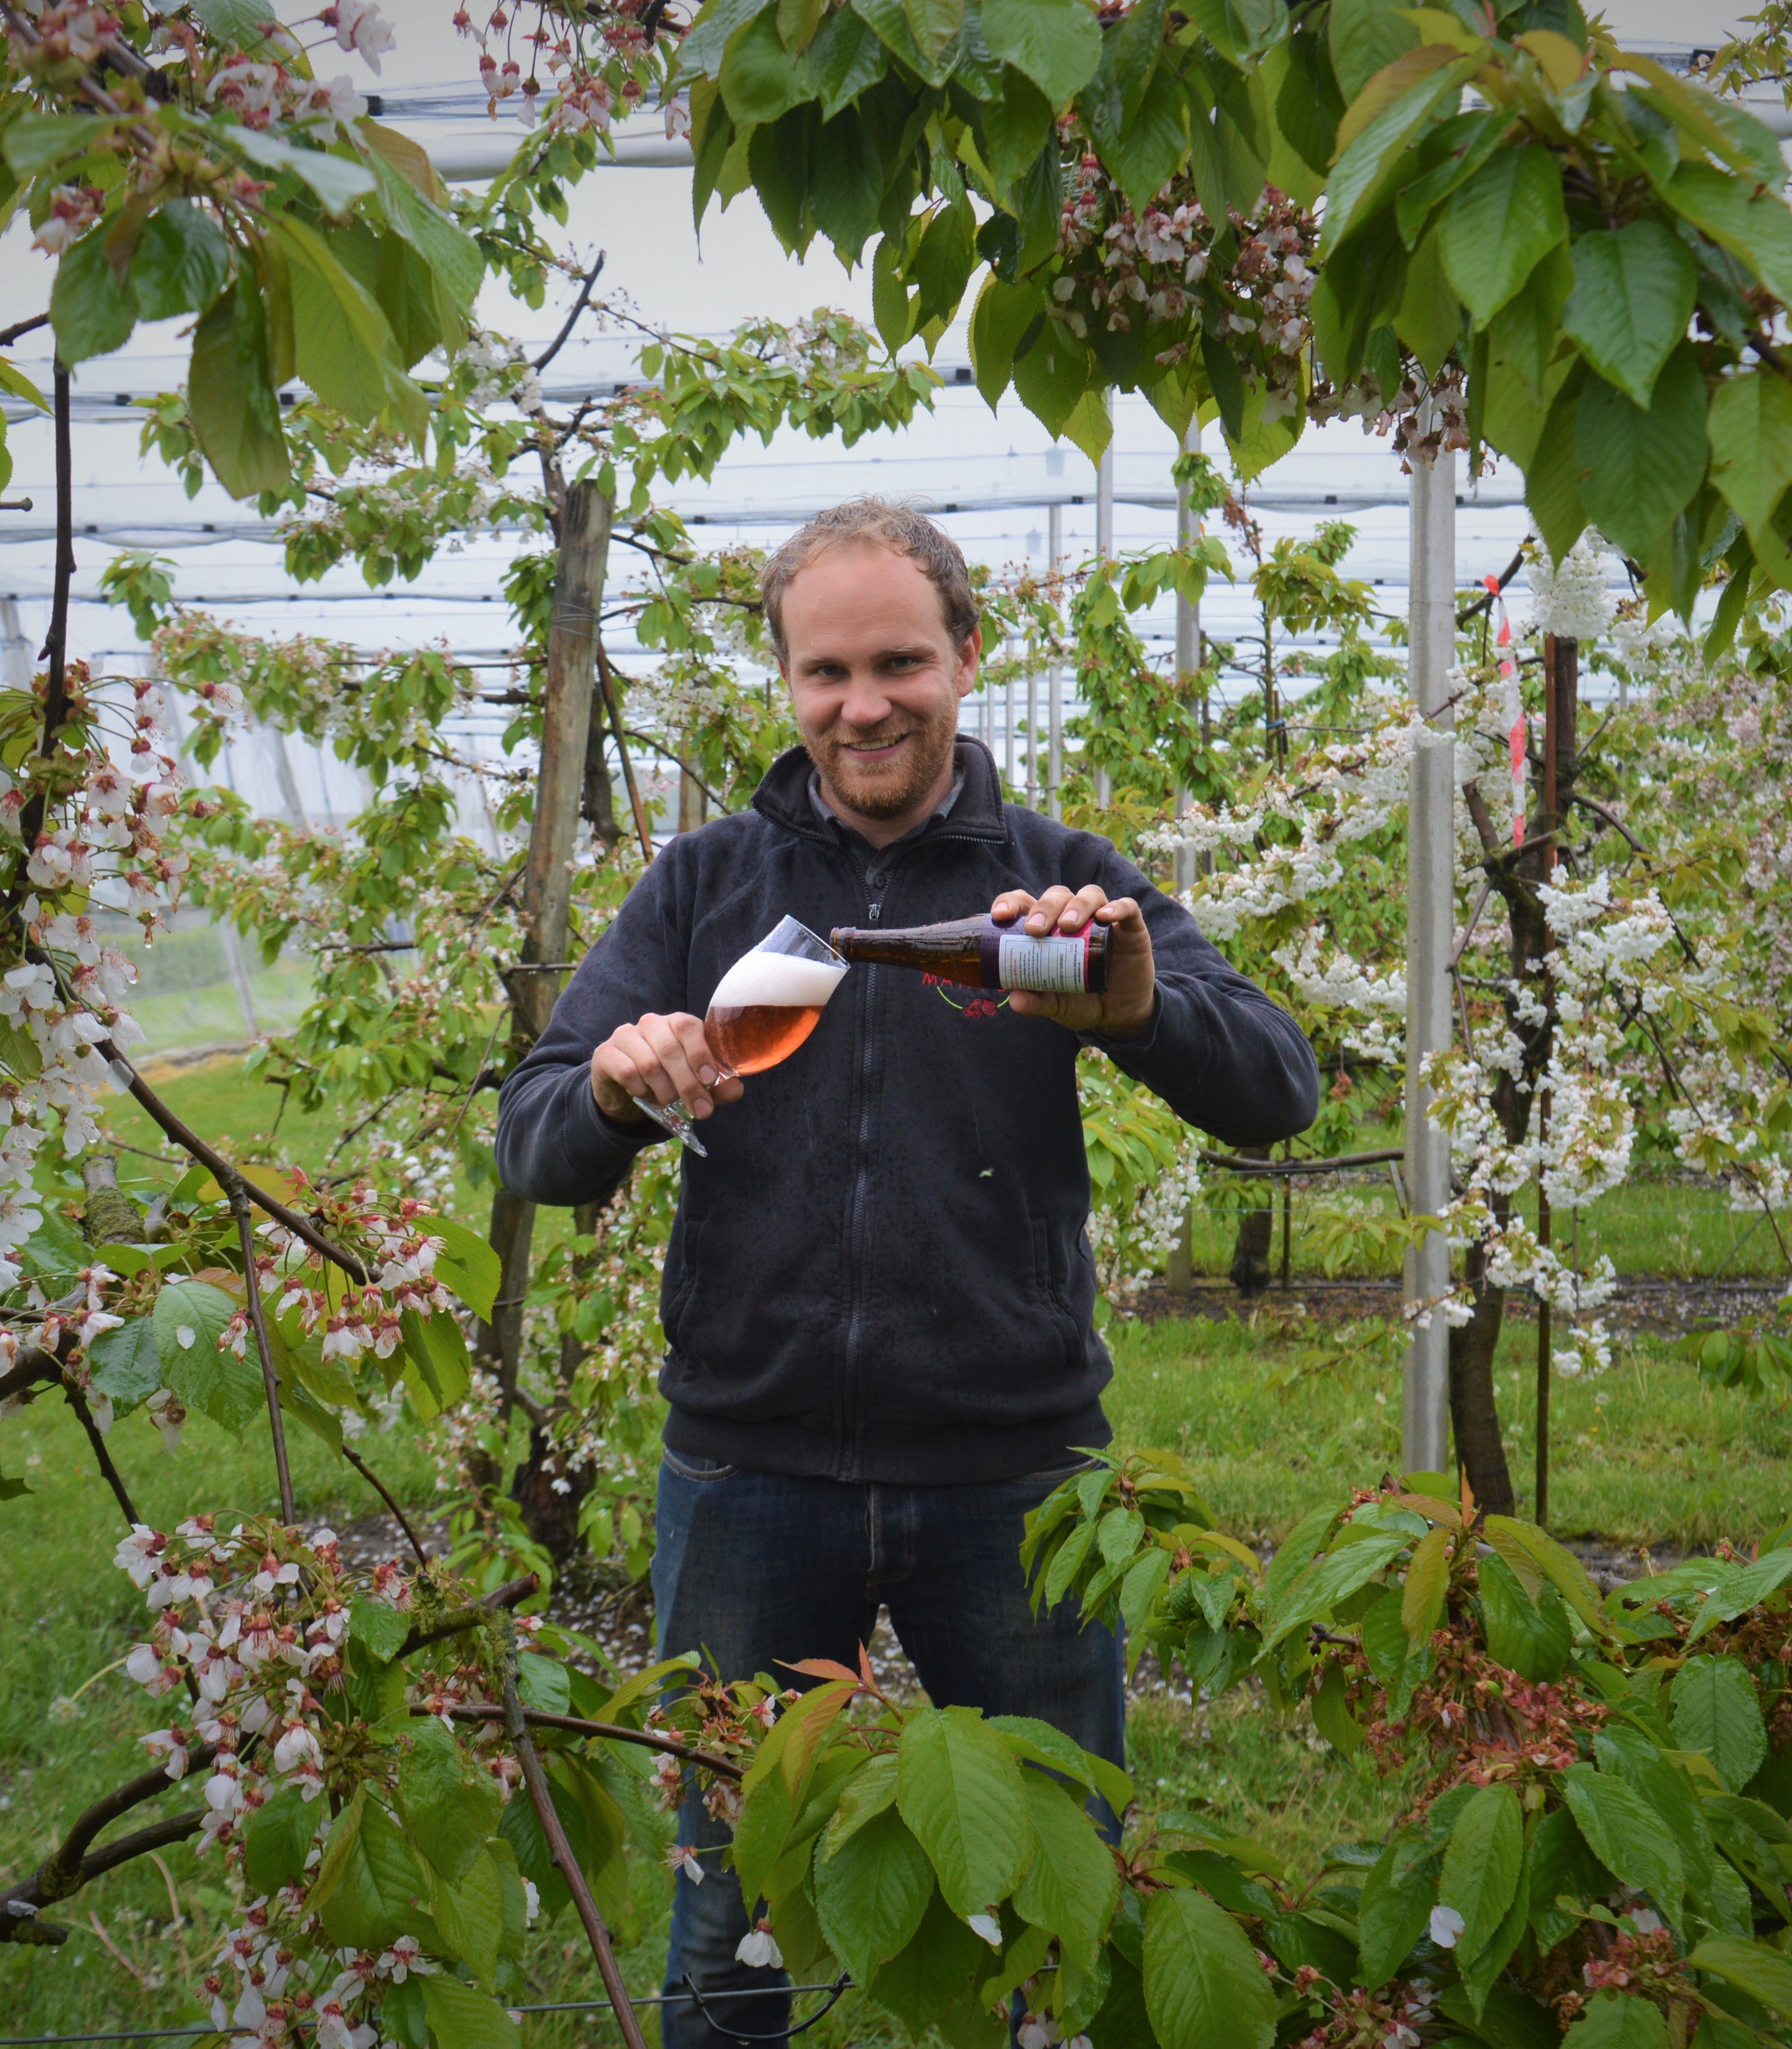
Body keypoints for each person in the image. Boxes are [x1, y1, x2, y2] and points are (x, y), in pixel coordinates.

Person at [494, 498, 1320, 2047]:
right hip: (747, 1475)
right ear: (786, 681)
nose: (862, 705)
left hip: (1014, 1482)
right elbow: (534, 1141)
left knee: (1056, 1891)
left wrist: (1141, 1010)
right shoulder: (702, 888)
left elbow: (1280, 1088)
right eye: (826, 671)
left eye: (898, 663)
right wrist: (611, 1083)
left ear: (967, 658)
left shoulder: (1054, 885)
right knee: (726, 1896)